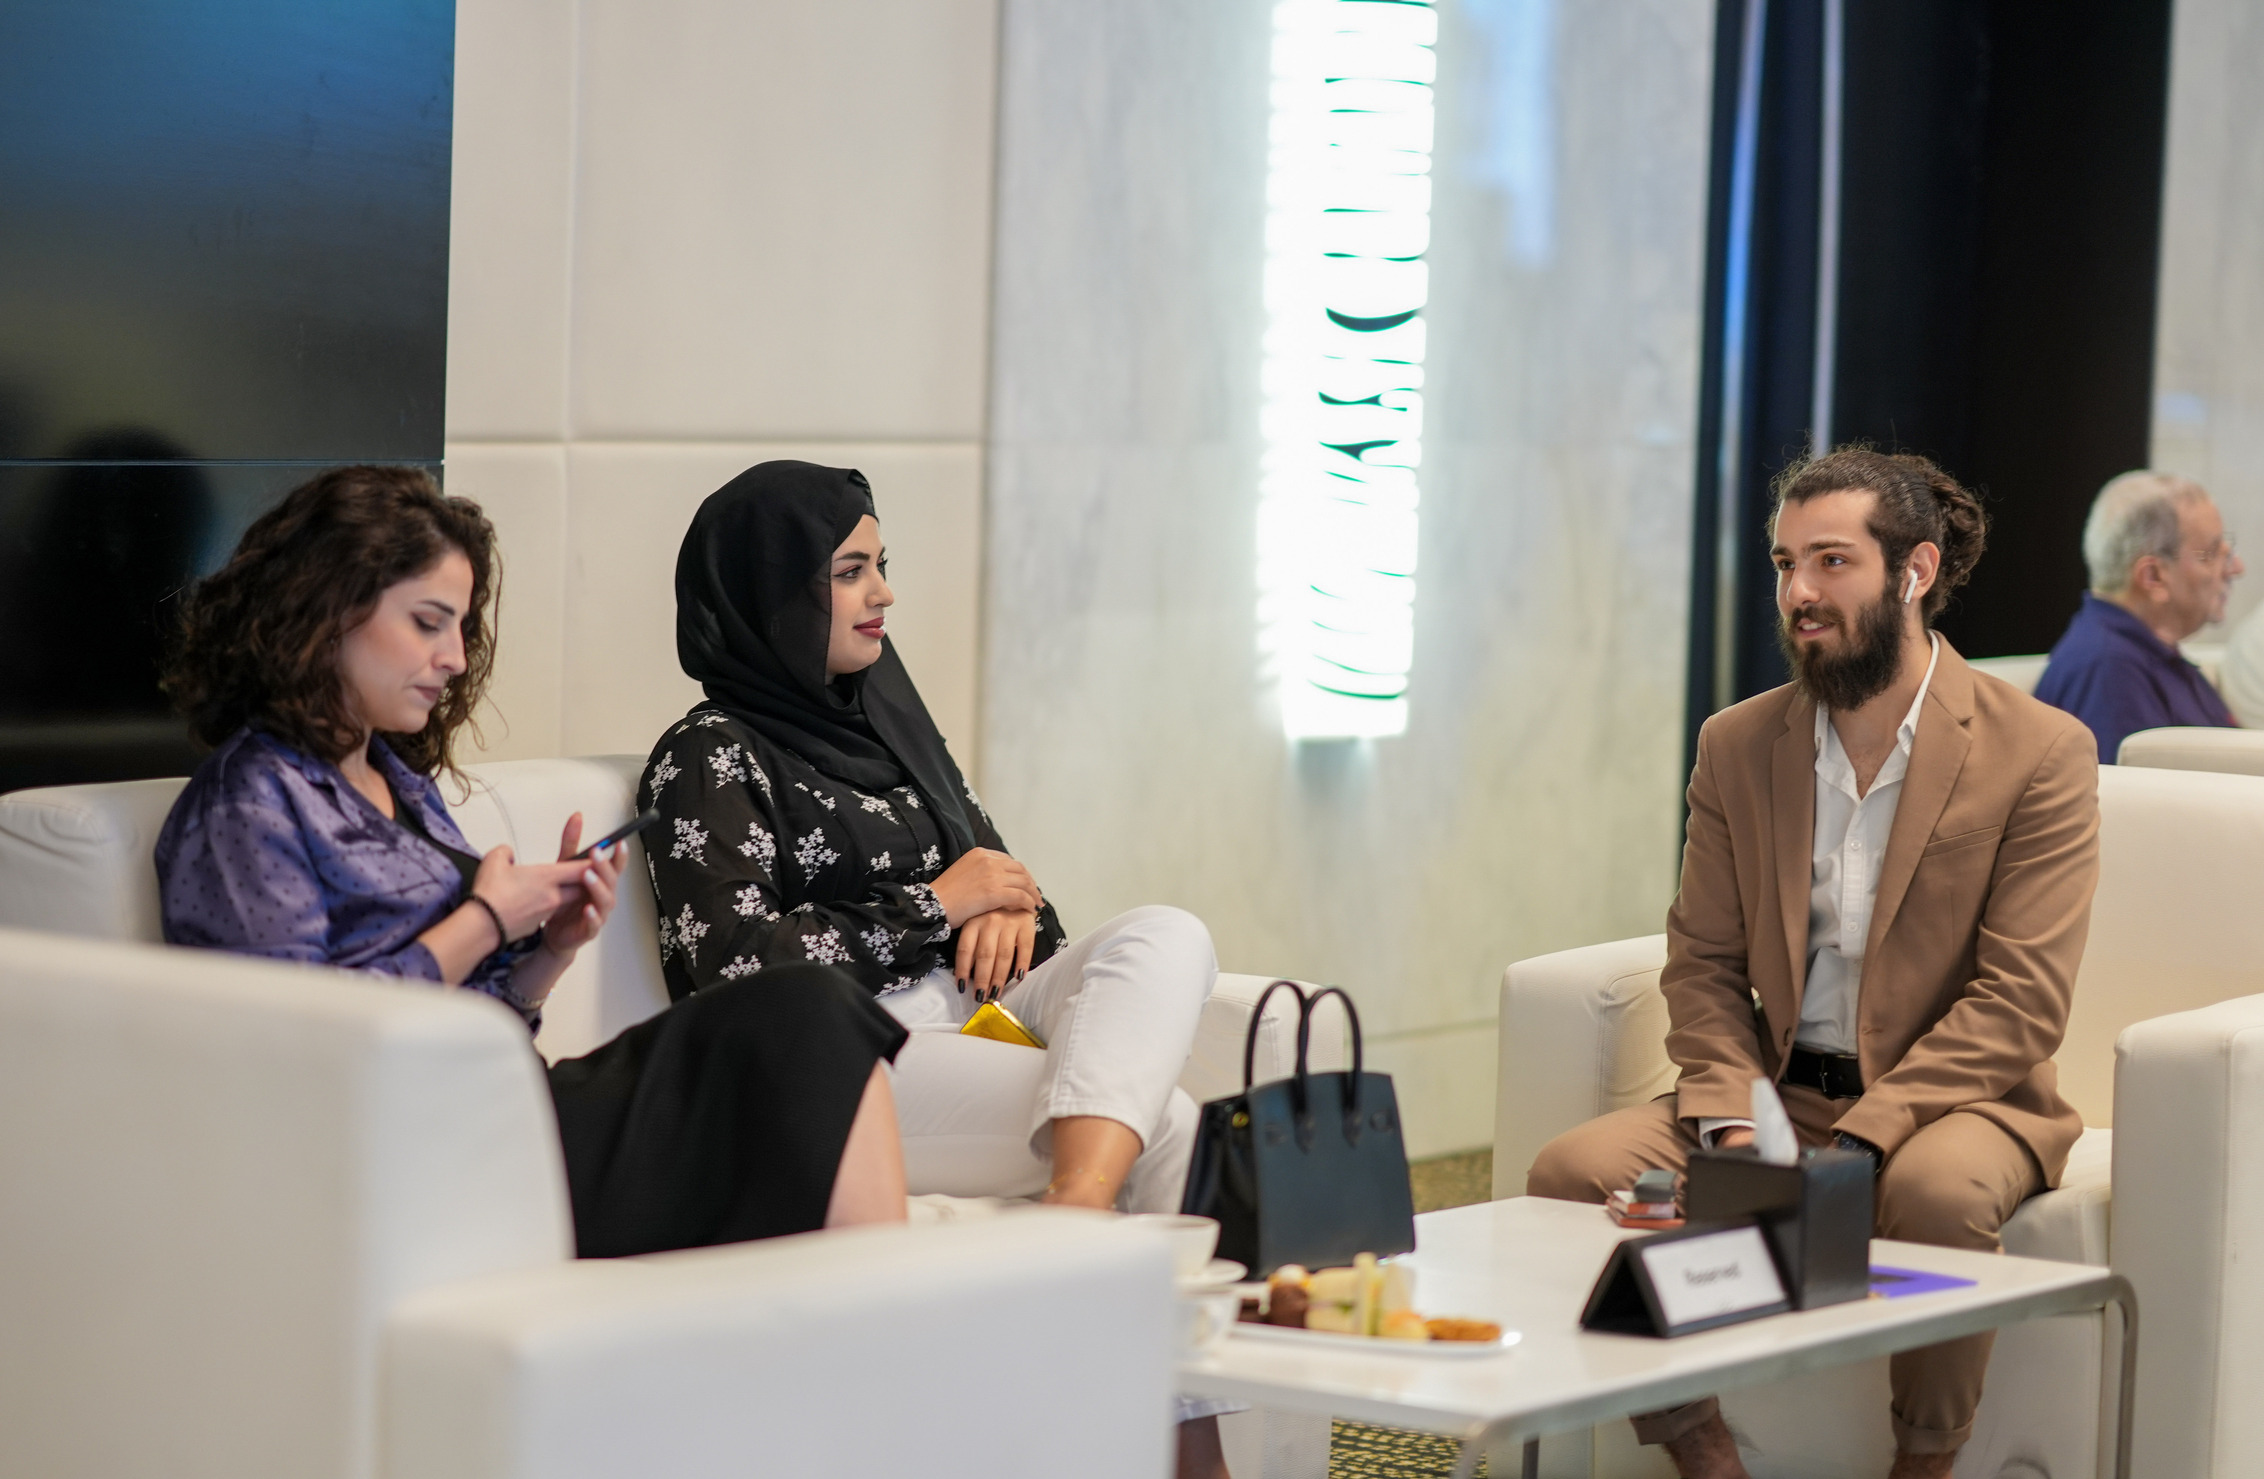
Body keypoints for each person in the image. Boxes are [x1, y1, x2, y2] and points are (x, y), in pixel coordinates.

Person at [644, 461, 1234, 1479]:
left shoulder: (888, 720)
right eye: (849, 571)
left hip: (977, 1008)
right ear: (768, 592)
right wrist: (937, 905)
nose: (883, 593)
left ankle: (1076, 1219)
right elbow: (736, 974)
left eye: (881, 565)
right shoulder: (707, 755)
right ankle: (1188, 1451)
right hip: (848, 1057)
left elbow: (1028, 906)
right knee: (1165, 1121)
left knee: (1166, 935)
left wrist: (1000, 905)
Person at [154, 465, 911, 1256]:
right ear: (325, 612)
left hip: (493, 1104)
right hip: (408, 1148)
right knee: (804, 1017)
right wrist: (486, 920)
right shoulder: (248, 802)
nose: (455, 658)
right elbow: (293, 1050)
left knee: (807, 1010)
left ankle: (870, 1299)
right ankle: (882, 1303)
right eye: (427, 623)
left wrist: (547, 950)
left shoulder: (395, 779)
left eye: (460, 627)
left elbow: (477, 1014)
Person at [1527, 448, 2099, 1479]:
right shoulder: (1736, 744)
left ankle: (1922, 1463)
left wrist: (1867, 1137)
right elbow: (1702, 961)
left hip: (1954, 1102)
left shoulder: (2039, 749)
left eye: (1831, 561)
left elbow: (2020, 1000)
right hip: (1780, 1095)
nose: (1798, 591)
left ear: (1914, 571)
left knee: (1935, 1195)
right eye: (1785, 563)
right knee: (1568, 1174)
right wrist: (1734, 1119)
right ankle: (1703, 1450)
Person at [2033, 469, 2242, 761]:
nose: (2236, 568)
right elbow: (2132, 789)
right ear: (2153, 576)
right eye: (2210, 554)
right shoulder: (2107, 670)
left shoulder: (2145, 655)